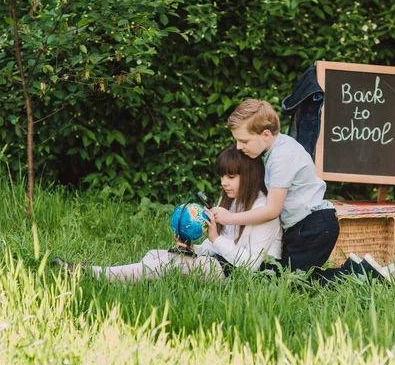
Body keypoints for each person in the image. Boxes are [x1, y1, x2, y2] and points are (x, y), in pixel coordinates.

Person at [53, 144, 282, 282]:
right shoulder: (230, 200)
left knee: (167, 265)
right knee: (156, 255)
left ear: (250, 176)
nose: (224, 183)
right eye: (222, 176)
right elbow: (220, 246)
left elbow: (252, 264)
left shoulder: (263, 211)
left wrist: (214, 239)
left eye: (231, 177)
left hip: (240, 275)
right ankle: (129, 279)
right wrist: (194, 249)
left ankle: (94, 273)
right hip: (220, 263)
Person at [210, 99, 340, 274]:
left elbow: (272, 210)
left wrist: (230, 218)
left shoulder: (281, 158)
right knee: (292, 277)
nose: (239, 147)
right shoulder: (277, 149)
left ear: (265, 134)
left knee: (296, 282)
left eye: (244, 141)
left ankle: (364, 273)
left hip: (313, 226)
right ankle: (358, 269)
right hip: (302, 226)